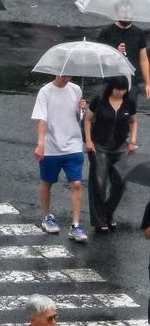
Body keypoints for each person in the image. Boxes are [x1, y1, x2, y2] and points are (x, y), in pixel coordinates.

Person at [33, 74, 88, 242]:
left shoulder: (76, 89)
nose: (66, 78)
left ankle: (76, 225)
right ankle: (46, 216)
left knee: (77, 184)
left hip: (73, 145)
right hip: (51, 147)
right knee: (47, 182)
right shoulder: (45, 92)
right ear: (56, 72)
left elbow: (79, 117)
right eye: (64, 75)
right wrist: (41, 143)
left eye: (69, 75)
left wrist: (82, 109)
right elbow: (41, 119)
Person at [84, 76, 136, 234]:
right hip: (99, 147)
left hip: (119, 148)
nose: (121, 92)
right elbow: (88, 119)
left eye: (123, 89)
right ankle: (99, 220)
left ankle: (107, 213)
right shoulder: (99, 100)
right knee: (99, 185)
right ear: (111, 88)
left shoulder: (129, 103)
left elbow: (133, 121)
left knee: (120, 184)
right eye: (117, 89)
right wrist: (88, 140)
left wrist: (132, 140)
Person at [98, 16, 150, 100]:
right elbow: (100, 57)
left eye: (128, 12)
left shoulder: (139, 33)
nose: (126, 15)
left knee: (130, 111)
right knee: (107, 111)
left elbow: (143, 60)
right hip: (109, 83)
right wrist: (116, 53)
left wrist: (148, 83)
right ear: (117, 13)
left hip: (132, 83)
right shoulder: (106, 32)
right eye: (123, 12)